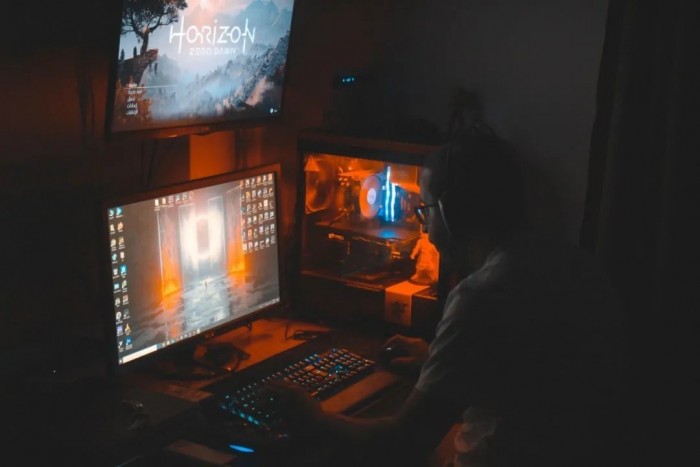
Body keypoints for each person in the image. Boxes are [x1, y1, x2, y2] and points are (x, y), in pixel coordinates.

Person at [267, 127, 626, 467]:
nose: (425, 229)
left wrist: (316, 419)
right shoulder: (573, 263)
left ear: (450, 215)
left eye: (425, 211)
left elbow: (402, 443)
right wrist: (436, 363)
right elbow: (522, 377)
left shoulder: (481, 297)